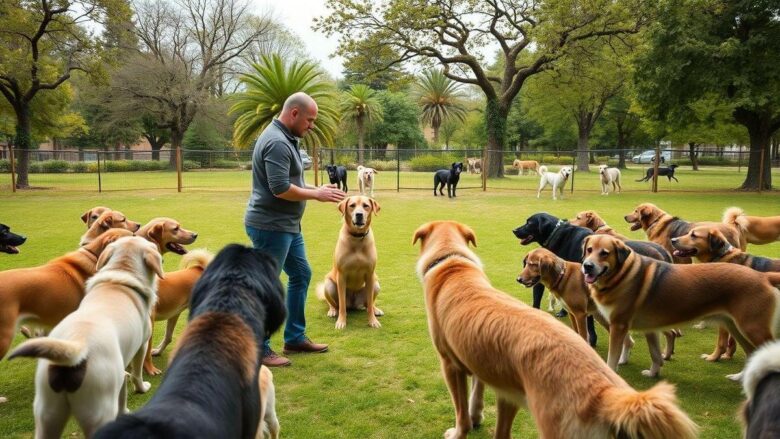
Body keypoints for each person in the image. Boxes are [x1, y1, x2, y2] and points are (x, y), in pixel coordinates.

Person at [245, 92, 345, 367]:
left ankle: (294, 337)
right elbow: (280, 189)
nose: (311, 125)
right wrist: (316, 196)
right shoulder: (276, 142)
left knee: (301, 274)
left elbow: (293, 181)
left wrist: (318, 189)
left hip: (287, 226)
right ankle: (259, 348)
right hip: (270, 226)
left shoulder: (285, 138)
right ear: (294, 114)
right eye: (310, 120)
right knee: (269, 284)